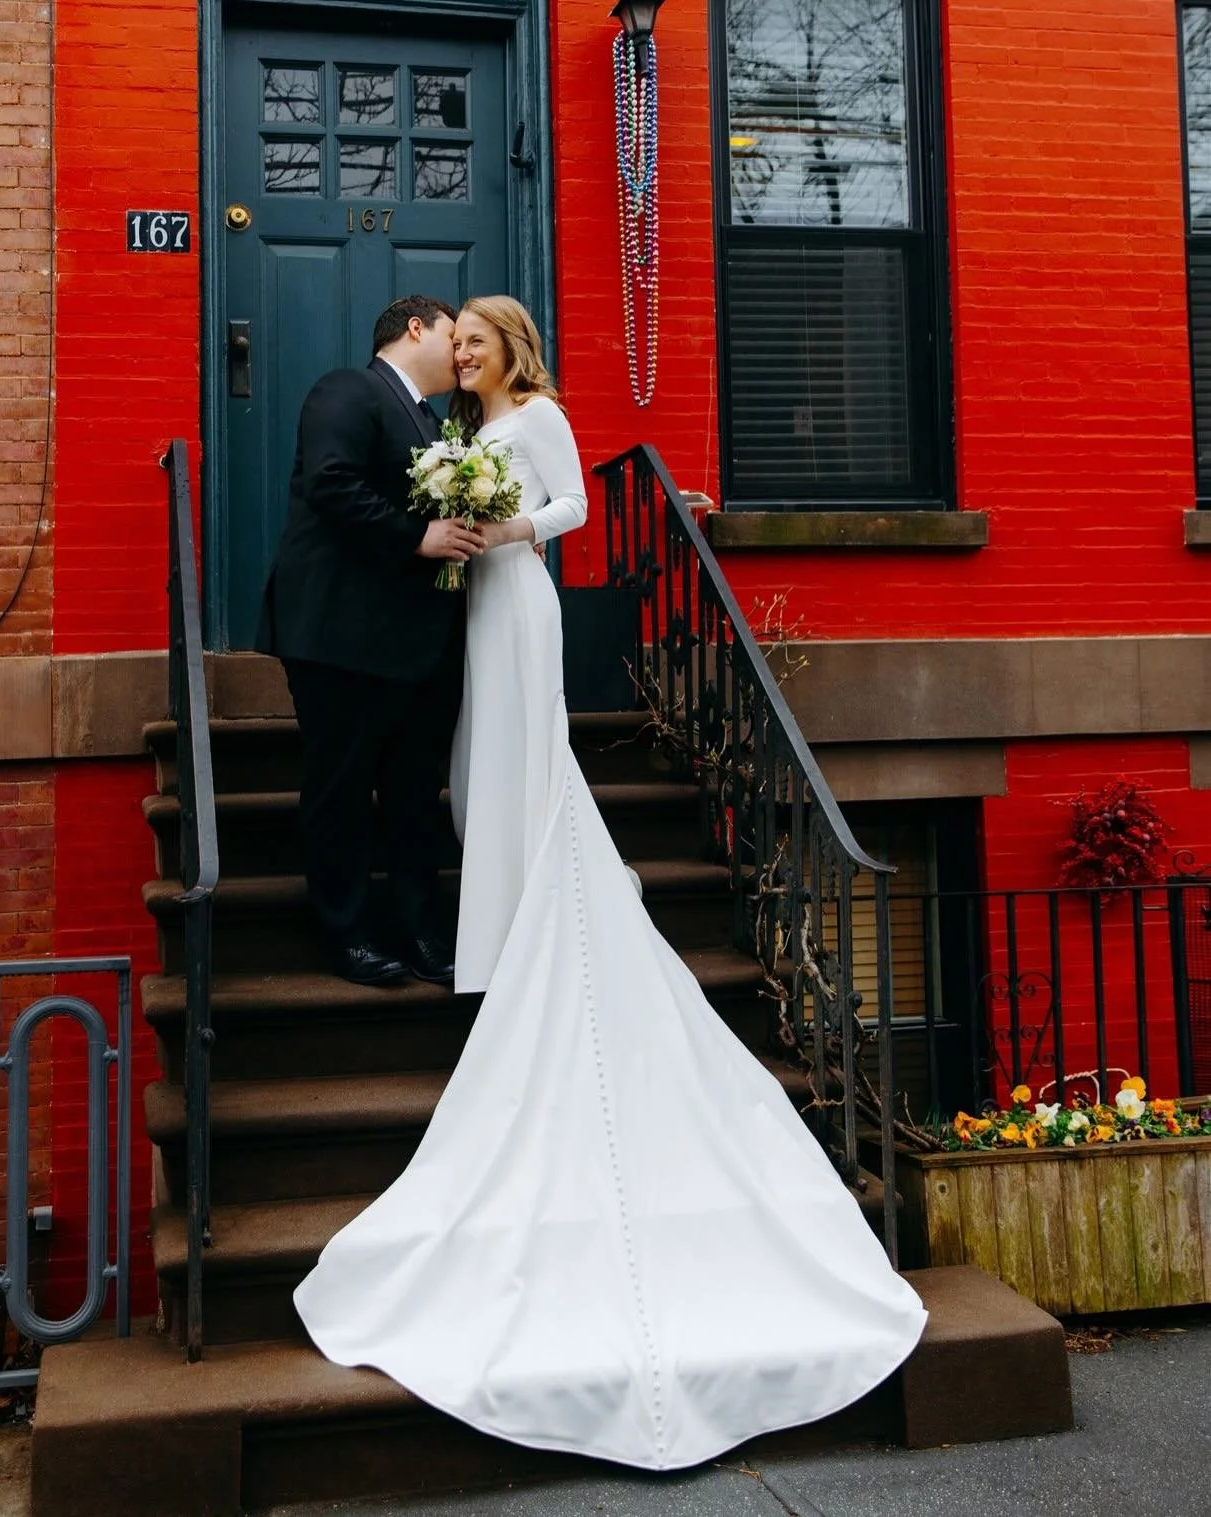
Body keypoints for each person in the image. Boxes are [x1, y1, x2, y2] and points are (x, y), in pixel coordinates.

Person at [293, 296, 927, 1469]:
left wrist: (509, 531)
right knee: (471, 771)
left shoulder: (535, 415)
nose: (468, 354)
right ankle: (486, 919)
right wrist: (459, 527)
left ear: (507, 347)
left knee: (517, 763)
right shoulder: (446, 425)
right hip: (463, 610)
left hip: (515, 597)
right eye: (460, 343)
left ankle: (533, 912)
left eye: (480, 341)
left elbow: (577, 508)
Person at [255, 294, 484, 987]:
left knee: (416, 793)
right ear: (417, 327)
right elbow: (332, 484)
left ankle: (419, 930)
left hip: (415, 644)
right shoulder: (348, 390)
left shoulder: (431, 419)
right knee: (342, 788)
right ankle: (347, 933)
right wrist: (420, 536)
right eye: (456, 335)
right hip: (339, 636)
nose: (464, 350)